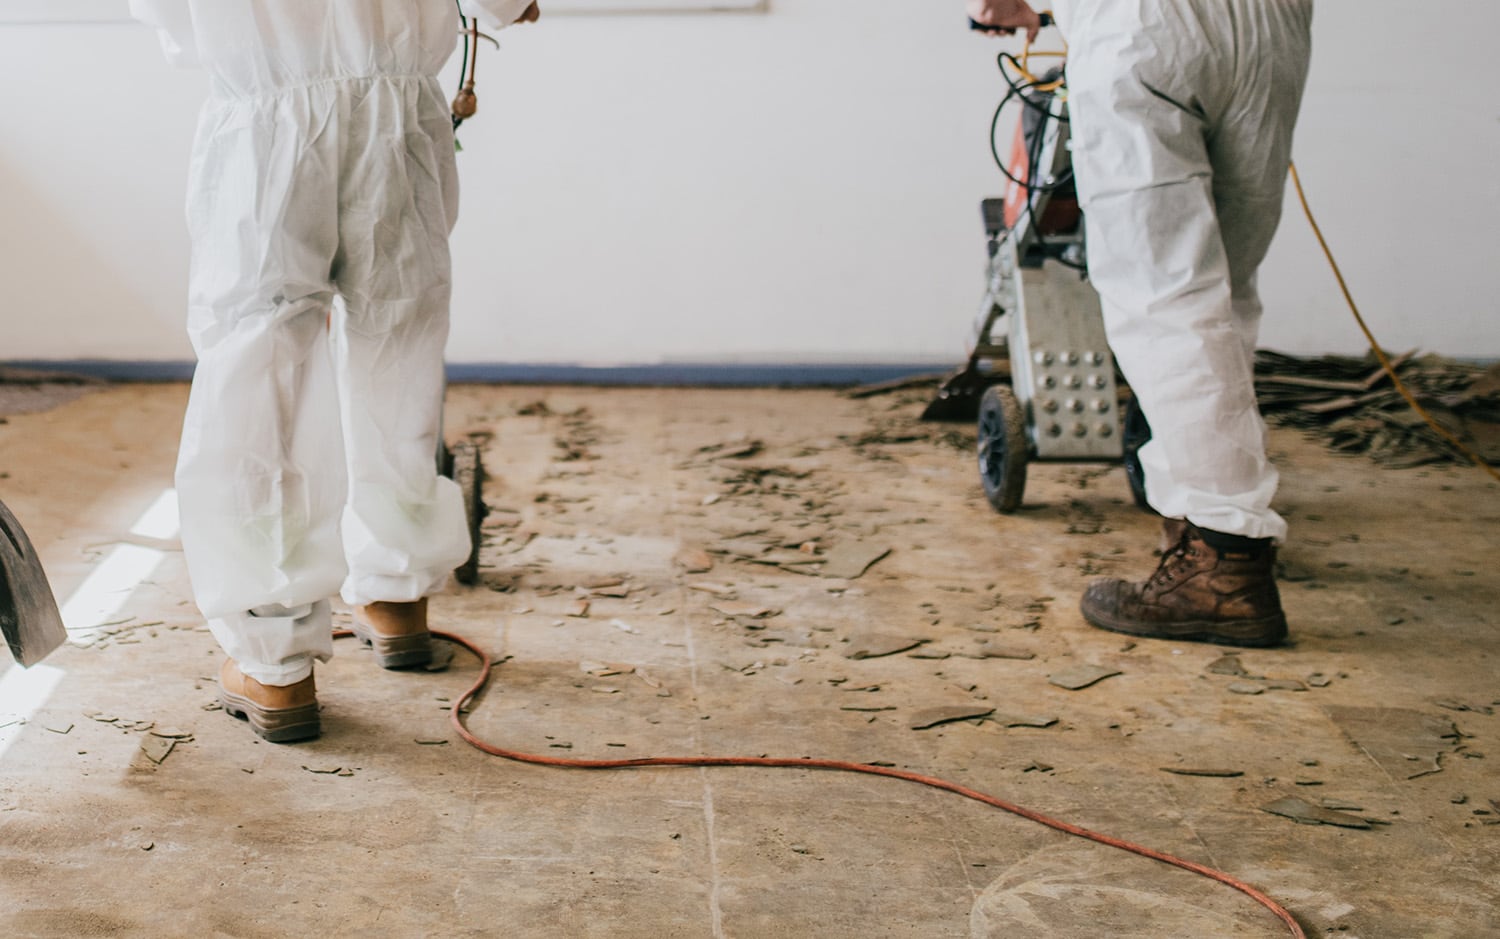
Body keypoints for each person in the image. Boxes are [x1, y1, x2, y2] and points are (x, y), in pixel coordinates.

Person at [133, 0, 541, 743]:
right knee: (399, 340)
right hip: (399, 106)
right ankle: (397, 594)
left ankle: (276, 660)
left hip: (264, 111)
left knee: (261, 375)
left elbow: (171, 20)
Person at [965, 0, 1313, 647]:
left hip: (1145, 27)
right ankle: (1196, 519)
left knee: (1165, 294)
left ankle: (1222, 561)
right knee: (1224, 291)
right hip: (1274, 28)